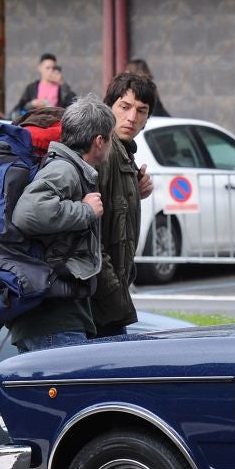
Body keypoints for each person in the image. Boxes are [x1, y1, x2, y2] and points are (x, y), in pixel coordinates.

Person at [5, 95, 114, 469]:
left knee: (33, 434)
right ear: (98, 141)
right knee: (61, 431)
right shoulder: (64, 172)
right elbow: (27, 215)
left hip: (42, 313)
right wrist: (87, 212)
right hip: (55, 318)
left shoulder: (65, 168)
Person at [93, 72, 157, 339]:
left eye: (141, 110)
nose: (132, 117)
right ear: (109, 107)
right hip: (100, 301)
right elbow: (93, 235)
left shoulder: (124, 152)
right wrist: (115, 290)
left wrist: (134, 192)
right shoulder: (104, 152)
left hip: (108, 298)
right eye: (125, 107)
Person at [12, 53, 77, 118]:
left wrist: (62, 83)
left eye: (53, 68)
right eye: (48, 68)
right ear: (40, 68)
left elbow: (74, 104)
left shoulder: (61, 87)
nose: (51, 71)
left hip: (55, 122)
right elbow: (19, 108)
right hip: (35, 122)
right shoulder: (31, 88)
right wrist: (32, 104)